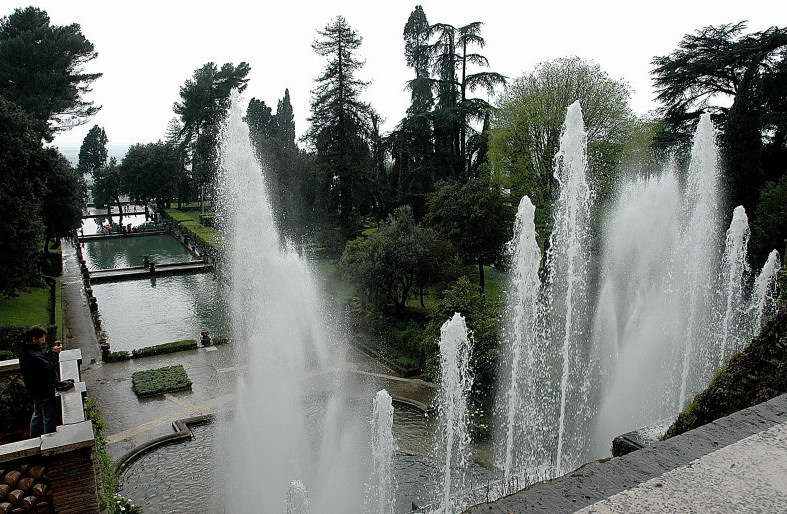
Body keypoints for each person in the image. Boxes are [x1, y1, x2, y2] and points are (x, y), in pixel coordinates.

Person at [17, 326, 63, 437]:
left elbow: (42, 359)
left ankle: (34, 437)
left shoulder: (26, 350)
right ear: (34, 339)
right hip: (43, 390)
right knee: (49, 416)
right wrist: (55, 354)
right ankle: (50, 441)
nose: (44, 341)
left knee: (37, 414)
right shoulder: (33, 354)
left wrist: (51, 351)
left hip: (34, 389)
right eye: (42, 339)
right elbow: (50, 367)